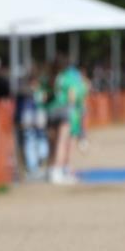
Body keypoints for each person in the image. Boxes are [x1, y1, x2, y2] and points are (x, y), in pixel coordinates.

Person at [45, 55, 84, 185]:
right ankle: (58, 170)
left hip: (50, 111)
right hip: (64, 111)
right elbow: (72, 96)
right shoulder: (69, 78)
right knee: (62, 142)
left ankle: (51, 169)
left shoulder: (51, 77)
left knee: (52, 142)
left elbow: (45, 95)